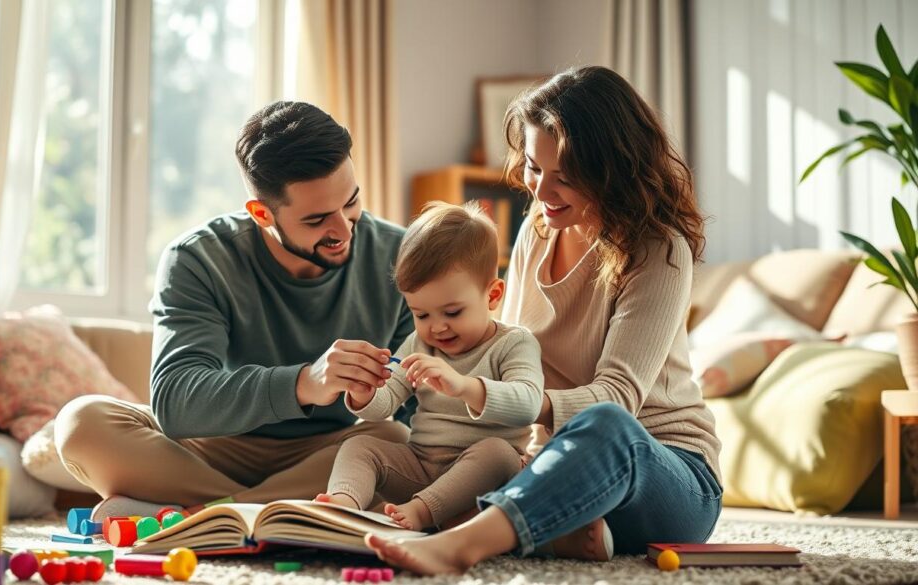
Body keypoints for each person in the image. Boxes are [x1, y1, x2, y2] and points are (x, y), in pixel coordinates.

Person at [364, 66, 723, 574]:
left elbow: (617, 396)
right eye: (535, 167)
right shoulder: (536, 230)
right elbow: (500, 356)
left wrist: (505, 401)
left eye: (566, 177)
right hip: (548, 465)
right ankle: (558, 528)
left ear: (612, 168)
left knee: (606, 424)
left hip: (664, 472)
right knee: (415, 451)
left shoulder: (658, 248)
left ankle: (464, 543)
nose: (541, 190)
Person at [54, 101, 415, 518]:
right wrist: (302, 383)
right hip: (211, 448)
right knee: (82, 424)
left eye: (351, 203)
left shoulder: (400, 257)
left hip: (329, 453)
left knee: (396, 439)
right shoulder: (199, 259)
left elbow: (416, 410)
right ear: (263, 214)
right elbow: (175, 401)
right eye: (317, 220)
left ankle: (204, 514)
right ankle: (265, 512)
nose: (344, 229)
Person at [316, 202, 544, 531]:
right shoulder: (419, 344)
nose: (436, 328)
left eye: (452, 313)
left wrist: (464, 386)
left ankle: (425, 513)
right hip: (421, 466)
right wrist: (364, 393)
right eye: (422, 314)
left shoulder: (514, 343)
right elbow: (385, 404)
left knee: (499, 454)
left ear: (492, 296)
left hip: (482, 476)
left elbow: (528, 404)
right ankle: (344, 505)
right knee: (359, 444)